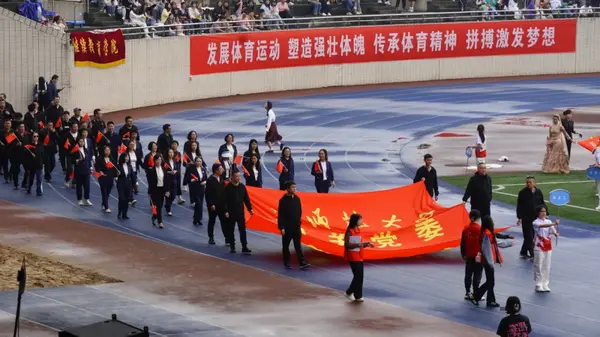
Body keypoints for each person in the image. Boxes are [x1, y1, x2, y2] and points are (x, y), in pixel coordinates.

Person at [470, 215, 502, 308]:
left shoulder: (485, 232)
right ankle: (476, 296)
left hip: (487, 260)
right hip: (488, 261)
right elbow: (486, 249)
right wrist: (491, 262)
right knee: (490, 281)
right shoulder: (487, 234)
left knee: (490, 281)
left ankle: (490, 300)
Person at [278, 181, 310, 270]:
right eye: (292, 187)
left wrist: (299, 223)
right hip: (287, 227)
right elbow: (280, 215)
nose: (294, 189)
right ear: (287, 189)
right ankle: (286, 262)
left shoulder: (297, 199)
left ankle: (302, 262)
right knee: (286, 246)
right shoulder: (283, 201)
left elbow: (299, 212)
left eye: (295, 187)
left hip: (296, 226)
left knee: (298, 245)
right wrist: (281, 227)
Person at [344, 213, 374, 302]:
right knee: (358, 275)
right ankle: (349, 292)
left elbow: (359, 244)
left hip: (359, 255)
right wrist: (358, 244)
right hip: (352, 256)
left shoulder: (358, 230)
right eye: (360, 219)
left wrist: (367, 244)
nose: (362, 221)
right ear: (355, 221)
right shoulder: (349, 231)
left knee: (360, 276)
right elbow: (347, 245)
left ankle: (358, 295)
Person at [516, 176, 547, 260]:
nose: (528, 184)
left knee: (531, 236)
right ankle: (533, 254)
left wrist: (545, 213)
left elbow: (542, 203)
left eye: (530, 182)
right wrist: (519, 217)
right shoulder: (522, 193)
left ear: (534, 183)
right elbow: (519, 205)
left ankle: (523, 251)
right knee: (529, 236)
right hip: (526, 218)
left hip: (535, 218)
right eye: (527, 182)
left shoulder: (538, 192)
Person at [224, 170, 253, 254]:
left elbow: (246, 199)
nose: (238, 178)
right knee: (231, 230)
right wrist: (226, 211)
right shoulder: (228, 188)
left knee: (242, 230)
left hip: (240, 212)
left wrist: (249, 208)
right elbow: (224, 201)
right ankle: (232, 247)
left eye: (239, 176)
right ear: (232, 177)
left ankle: (244, 246)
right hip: (231, 213)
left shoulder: (242, 187)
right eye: (237, 176)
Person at [532, 206, 559, 292]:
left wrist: (555, 233)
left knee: (547, 265)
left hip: (547, 245)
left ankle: (545, 283)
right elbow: (543, 226)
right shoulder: (535, 222)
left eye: (545, 211)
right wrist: (554, 224)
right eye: (542, 211)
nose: (544, 213)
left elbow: (552, 229)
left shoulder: (549, 221)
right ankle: (538, 284)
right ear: (538, 213)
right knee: (538, 265)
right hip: (538, 246)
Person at [460, 210, 483, 301]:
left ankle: (467, 292)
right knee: (477, 274)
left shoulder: (466, 229)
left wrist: (463, 254)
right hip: (478, 256)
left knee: (468, 274)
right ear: (478, 218)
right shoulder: (480, 229)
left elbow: (462, 243)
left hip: (469, 256)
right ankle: (475, 293)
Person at [147, 155, 171, 229]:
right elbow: (150, 182)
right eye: (157, 160)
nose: (159, 161)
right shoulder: (152, 170)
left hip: (162, 189)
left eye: (160, 160)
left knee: (160, 206)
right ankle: (160, 222)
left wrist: (167, 190)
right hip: (155, 190)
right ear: (154, 161)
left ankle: (154, 216)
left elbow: (166, 180)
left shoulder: (163, 169)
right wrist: (149, 192)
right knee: (158, 207)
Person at [206, 163, 227, 245]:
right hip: (213, 205)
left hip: (221, 204)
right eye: (220, 169)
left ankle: (227, 238)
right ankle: (211, 237)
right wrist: (211, 204)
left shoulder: (221, 178)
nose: (222, 170)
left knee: (224, 221)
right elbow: (208, 193)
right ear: (216, 170)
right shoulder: (210, 180)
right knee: (212, 220)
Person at [183, 156, 208, 226]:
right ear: (195, 162)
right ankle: (198, 219)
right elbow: (188, 178)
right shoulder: (191, 169)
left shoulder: (203, 169)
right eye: (197, 161)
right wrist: (193, 180)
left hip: (201, 188)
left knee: (199, 204)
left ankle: (196, 218)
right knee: (199, 204)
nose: (199, 163)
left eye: (200, 161)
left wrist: (205, 182)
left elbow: (205, 178)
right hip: (194, 188)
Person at [95, 146, 117, 213]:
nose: (107, 152)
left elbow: (114, 167)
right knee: (104, 192)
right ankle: (107, 207)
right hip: (102, 177)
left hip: (110, 177)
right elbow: (97, 167)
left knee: (108, 192)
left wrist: (115, 175)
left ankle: (103, 203)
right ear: (103, 151)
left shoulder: (111, 159)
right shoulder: (99, 159)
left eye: (108, 150)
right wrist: (100, 171)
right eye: (106, 150)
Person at [73, 137, 93, 206]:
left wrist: (90, 167)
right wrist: (78, 160)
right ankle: (79, 199)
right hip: (79, 171)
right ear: (78, 142)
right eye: (80, 141)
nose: (81, 143)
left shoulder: (86, 150)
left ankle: (87, 199)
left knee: (87, 186)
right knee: (79, 186)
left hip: (86, 170)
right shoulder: (75, 150)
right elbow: (72, 160)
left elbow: (88, 159)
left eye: (82, 141)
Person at [116, 153, 134, 220]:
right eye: (126, 157)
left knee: (126, 200)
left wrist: (134, 184)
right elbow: (115, 175)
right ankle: (120, 211)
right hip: (121, 184)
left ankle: (125, 214)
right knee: (121, 198)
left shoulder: (129, 166)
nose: (127, 158)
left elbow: (132, 176)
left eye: (128, 157)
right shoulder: (118, 166)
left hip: (128, 184)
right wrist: (117, 174)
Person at [594, 144, 600, 211]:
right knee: (599, 187)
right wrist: (596, 164)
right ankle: (599, 204)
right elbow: (595, 158)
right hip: (598, 170)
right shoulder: (597, 149)